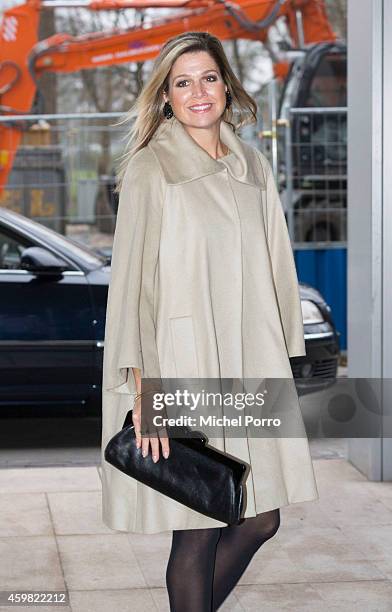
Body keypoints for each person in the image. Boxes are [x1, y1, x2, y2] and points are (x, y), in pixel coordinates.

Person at [100, 31, 319, 611]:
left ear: (227, 83)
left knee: (260, 518)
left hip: (251, 365)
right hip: (183, 366)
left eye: (209, 77)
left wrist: (284, 360)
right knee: (197, 524)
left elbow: (277, 268)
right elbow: (131, 287)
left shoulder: (252, 165)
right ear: (166, 97)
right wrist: (144, 390)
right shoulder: (151, 168)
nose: (199, 92)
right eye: (182, 82)